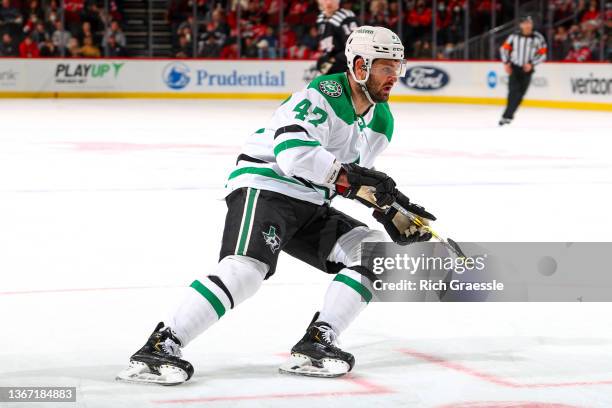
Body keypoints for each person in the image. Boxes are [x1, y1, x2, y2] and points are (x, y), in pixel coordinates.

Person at [116, 26, 435, 385]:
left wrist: (390, 208)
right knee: (247, 270)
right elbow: (294, 155)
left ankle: (318, 341)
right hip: (267, 186)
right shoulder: (325, 93)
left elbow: (351, 178)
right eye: (385, 67)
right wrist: (355, 182)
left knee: (375, 253)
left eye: (398, 67)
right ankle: (160, 346)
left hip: (310, 200)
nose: (394, 76)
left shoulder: (382, 119)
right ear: (360, 65)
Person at [498, 15, 547, 126]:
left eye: (529, 23)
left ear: (532, 24)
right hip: (515, 68)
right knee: (513, 93)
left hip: (527, 70)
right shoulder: (514, 36)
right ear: (521, 25)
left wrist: (532, 64)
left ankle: (508, 116)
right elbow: (504, 49)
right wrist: (506, 63)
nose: (527, 25)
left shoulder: (538, 38)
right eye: (524, 23)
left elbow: (543, 54)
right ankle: (506, 116)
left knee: (520, 95)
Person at [316, 0, 359, 75]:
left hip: (346, 65)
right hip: (330, 62)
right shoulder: (321, 18)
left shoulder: (346, 17)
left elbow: (354, 47)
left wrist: (332, 61)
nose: (329, 2)